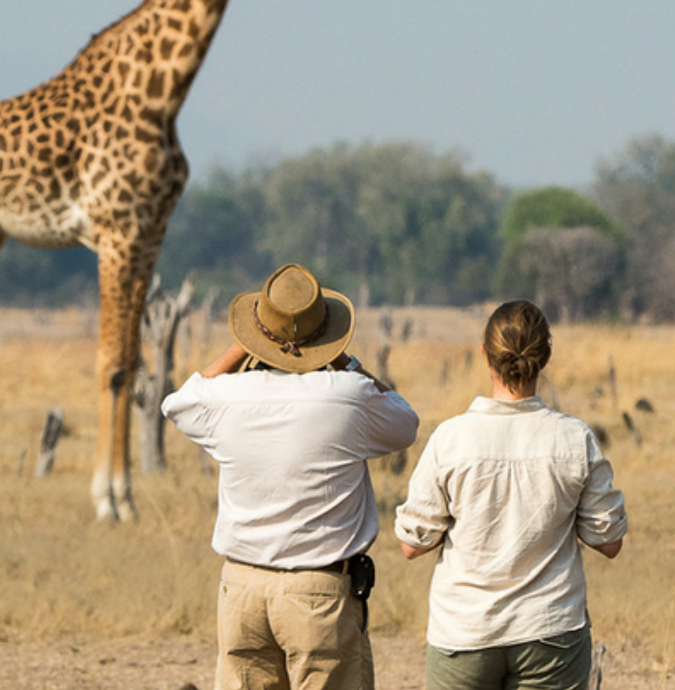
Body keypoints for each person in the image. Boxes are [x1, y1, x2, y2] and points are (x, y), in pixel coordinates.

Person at [163, 263, 420, 690]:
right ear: (327, 334)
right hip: (319, 590)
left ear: (255, 331)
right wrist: (343, 358)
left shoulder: (227, 398)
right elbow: (404, 420)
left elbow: (178, 403)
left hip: (242, 587)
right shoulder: (348, 396)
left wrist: (244, 344)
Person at [395, 299, 628, 690]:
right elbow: (610, 542)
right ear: (546, 355)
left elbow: (411, 545)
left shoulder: (451, 438)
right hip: (551, 629)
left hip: (463, 632)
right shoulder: (575, 438)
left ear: (485, 353)